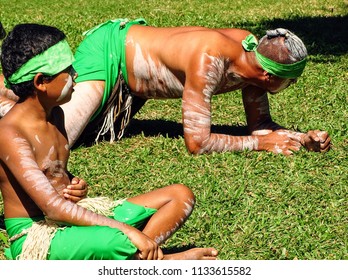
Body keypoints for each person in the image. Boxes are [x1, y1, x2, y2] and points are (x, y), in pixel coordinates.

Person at [0, 23, 218, 260]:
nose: (76, 75)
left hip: (71, 217)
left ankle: (139, 258)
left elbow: (49, 171)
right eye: (68, 70)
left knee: (179, 196)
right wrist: (126, 230)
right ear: (41, 81)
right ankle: (156, 260)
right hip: (38, 232)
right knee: (118, 238)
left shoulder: (56, 114)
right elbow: (51, 207)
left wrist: (73, 182)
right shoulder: (10, 134)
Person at [0, 18, 331, 155]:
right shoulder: (211, 60)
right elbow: (197, 143)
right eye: (293, 79)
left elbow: (260, 126)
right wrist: (258, 145)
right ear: (271, 77)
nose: (294, 85)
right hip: (111, 53)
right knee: (54, 143)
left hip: (130, 66)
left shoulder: (252, 63)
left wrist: (302, 139)